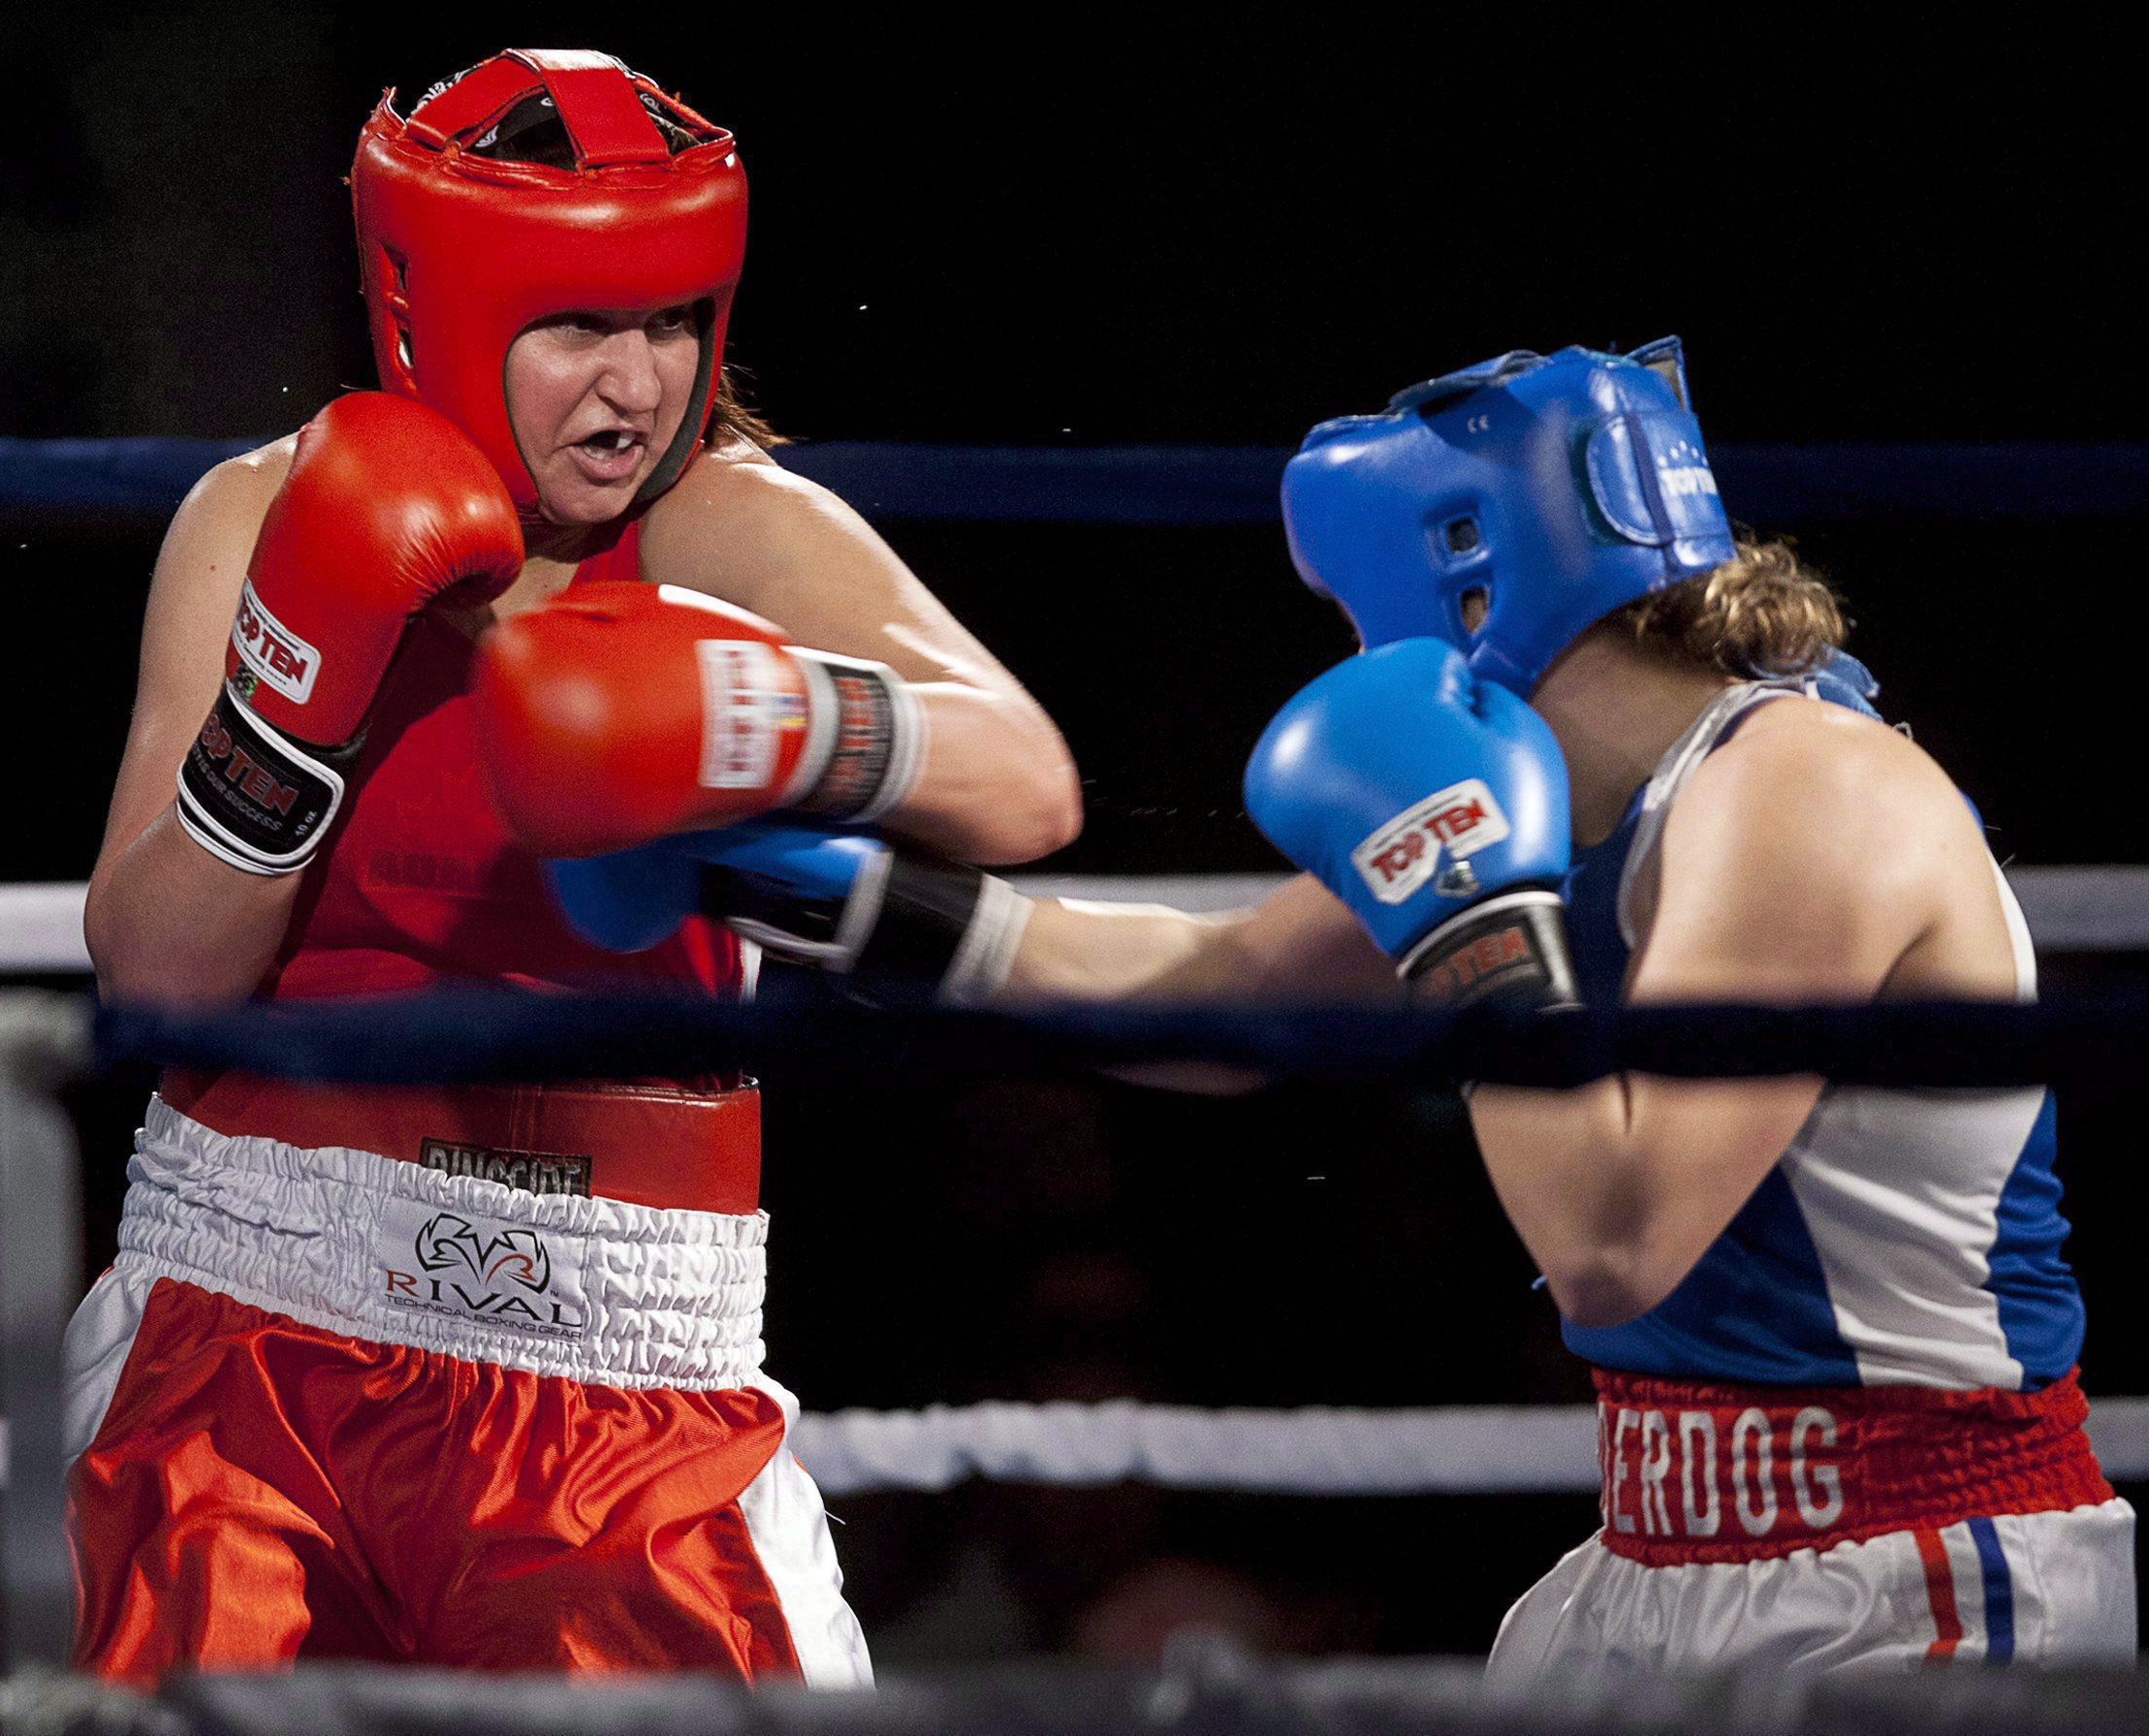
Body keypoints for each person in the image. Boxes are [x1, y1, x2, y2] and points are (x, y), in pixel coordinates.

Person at [640, 340, 2134, 1674]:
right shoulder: (1553, 810)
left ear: (1469, 588)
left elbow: (1612, 1242)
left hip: (1918, 1579)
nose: (1355, 657)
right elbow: (1204, 999)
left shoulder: (1801, 789)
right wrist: (798, 889)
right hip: (1669, 1553)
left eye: (1356, 612)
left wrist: (1472, 916)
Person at [70, 47, 1078, 1684]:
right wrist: (296, 679)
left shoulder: (722, 529)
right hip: (242, 1335)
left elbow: (1023, 779)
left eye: (675, 320)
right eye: (580, 327)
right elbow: (159, 975)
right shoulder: (263, 517)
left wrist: (759, 714)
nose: (641, 385)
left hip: (617, 1368)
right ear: (438, 306)